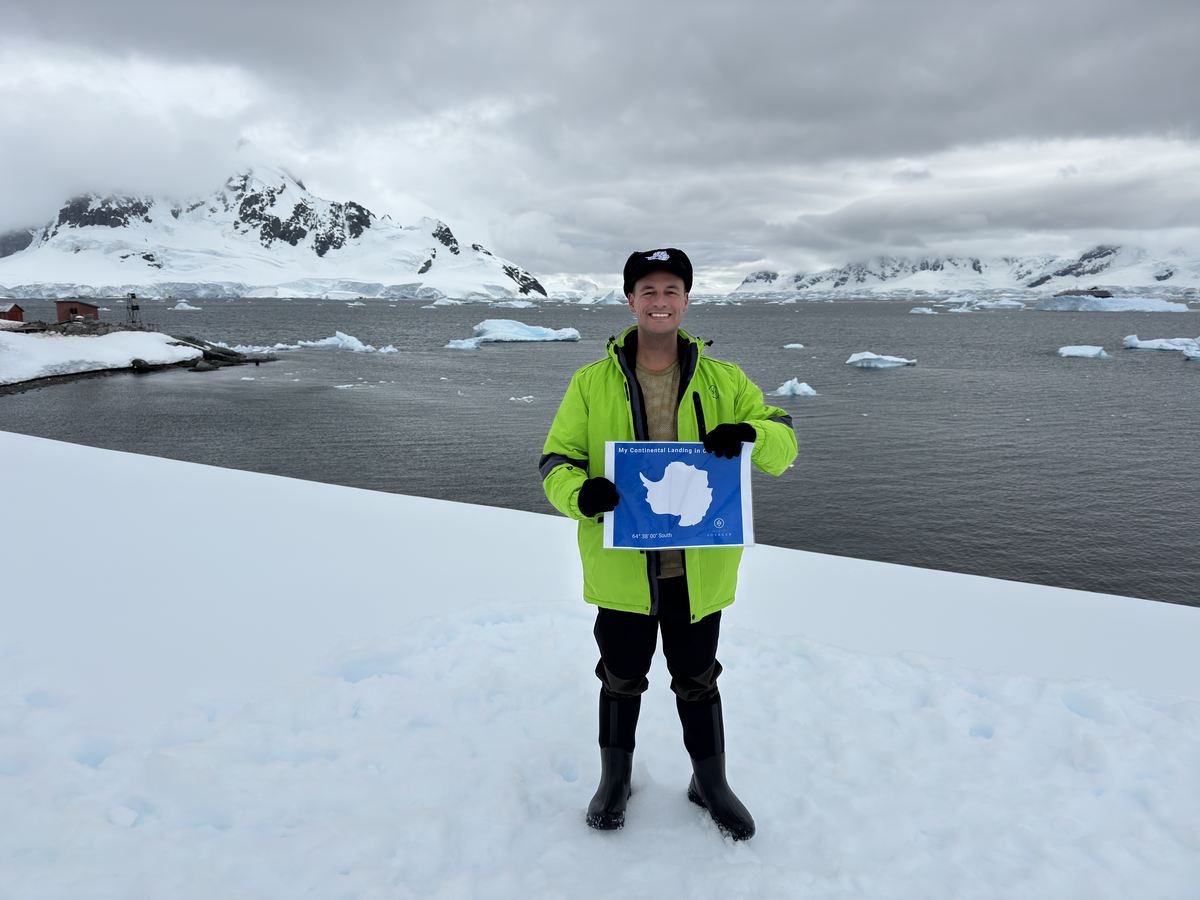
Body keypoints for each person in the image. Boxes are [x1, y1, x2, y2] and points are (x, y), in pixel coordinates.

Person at [539, 248, 798, 840]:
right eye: (648, 291)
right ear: (630, 300)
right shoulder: (590, 382)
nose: (660, 302)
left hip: (696, 570)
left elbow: (784, 441)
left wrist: (752, 432)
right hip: (623, 568)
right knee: (620, 676)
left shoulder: (725, 381)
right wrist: (580, 493)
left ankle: (710, 782)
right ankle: (615, 778)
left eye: (671, 290)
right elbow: (556, 459)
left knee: (698, 677)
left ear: (686, 299)